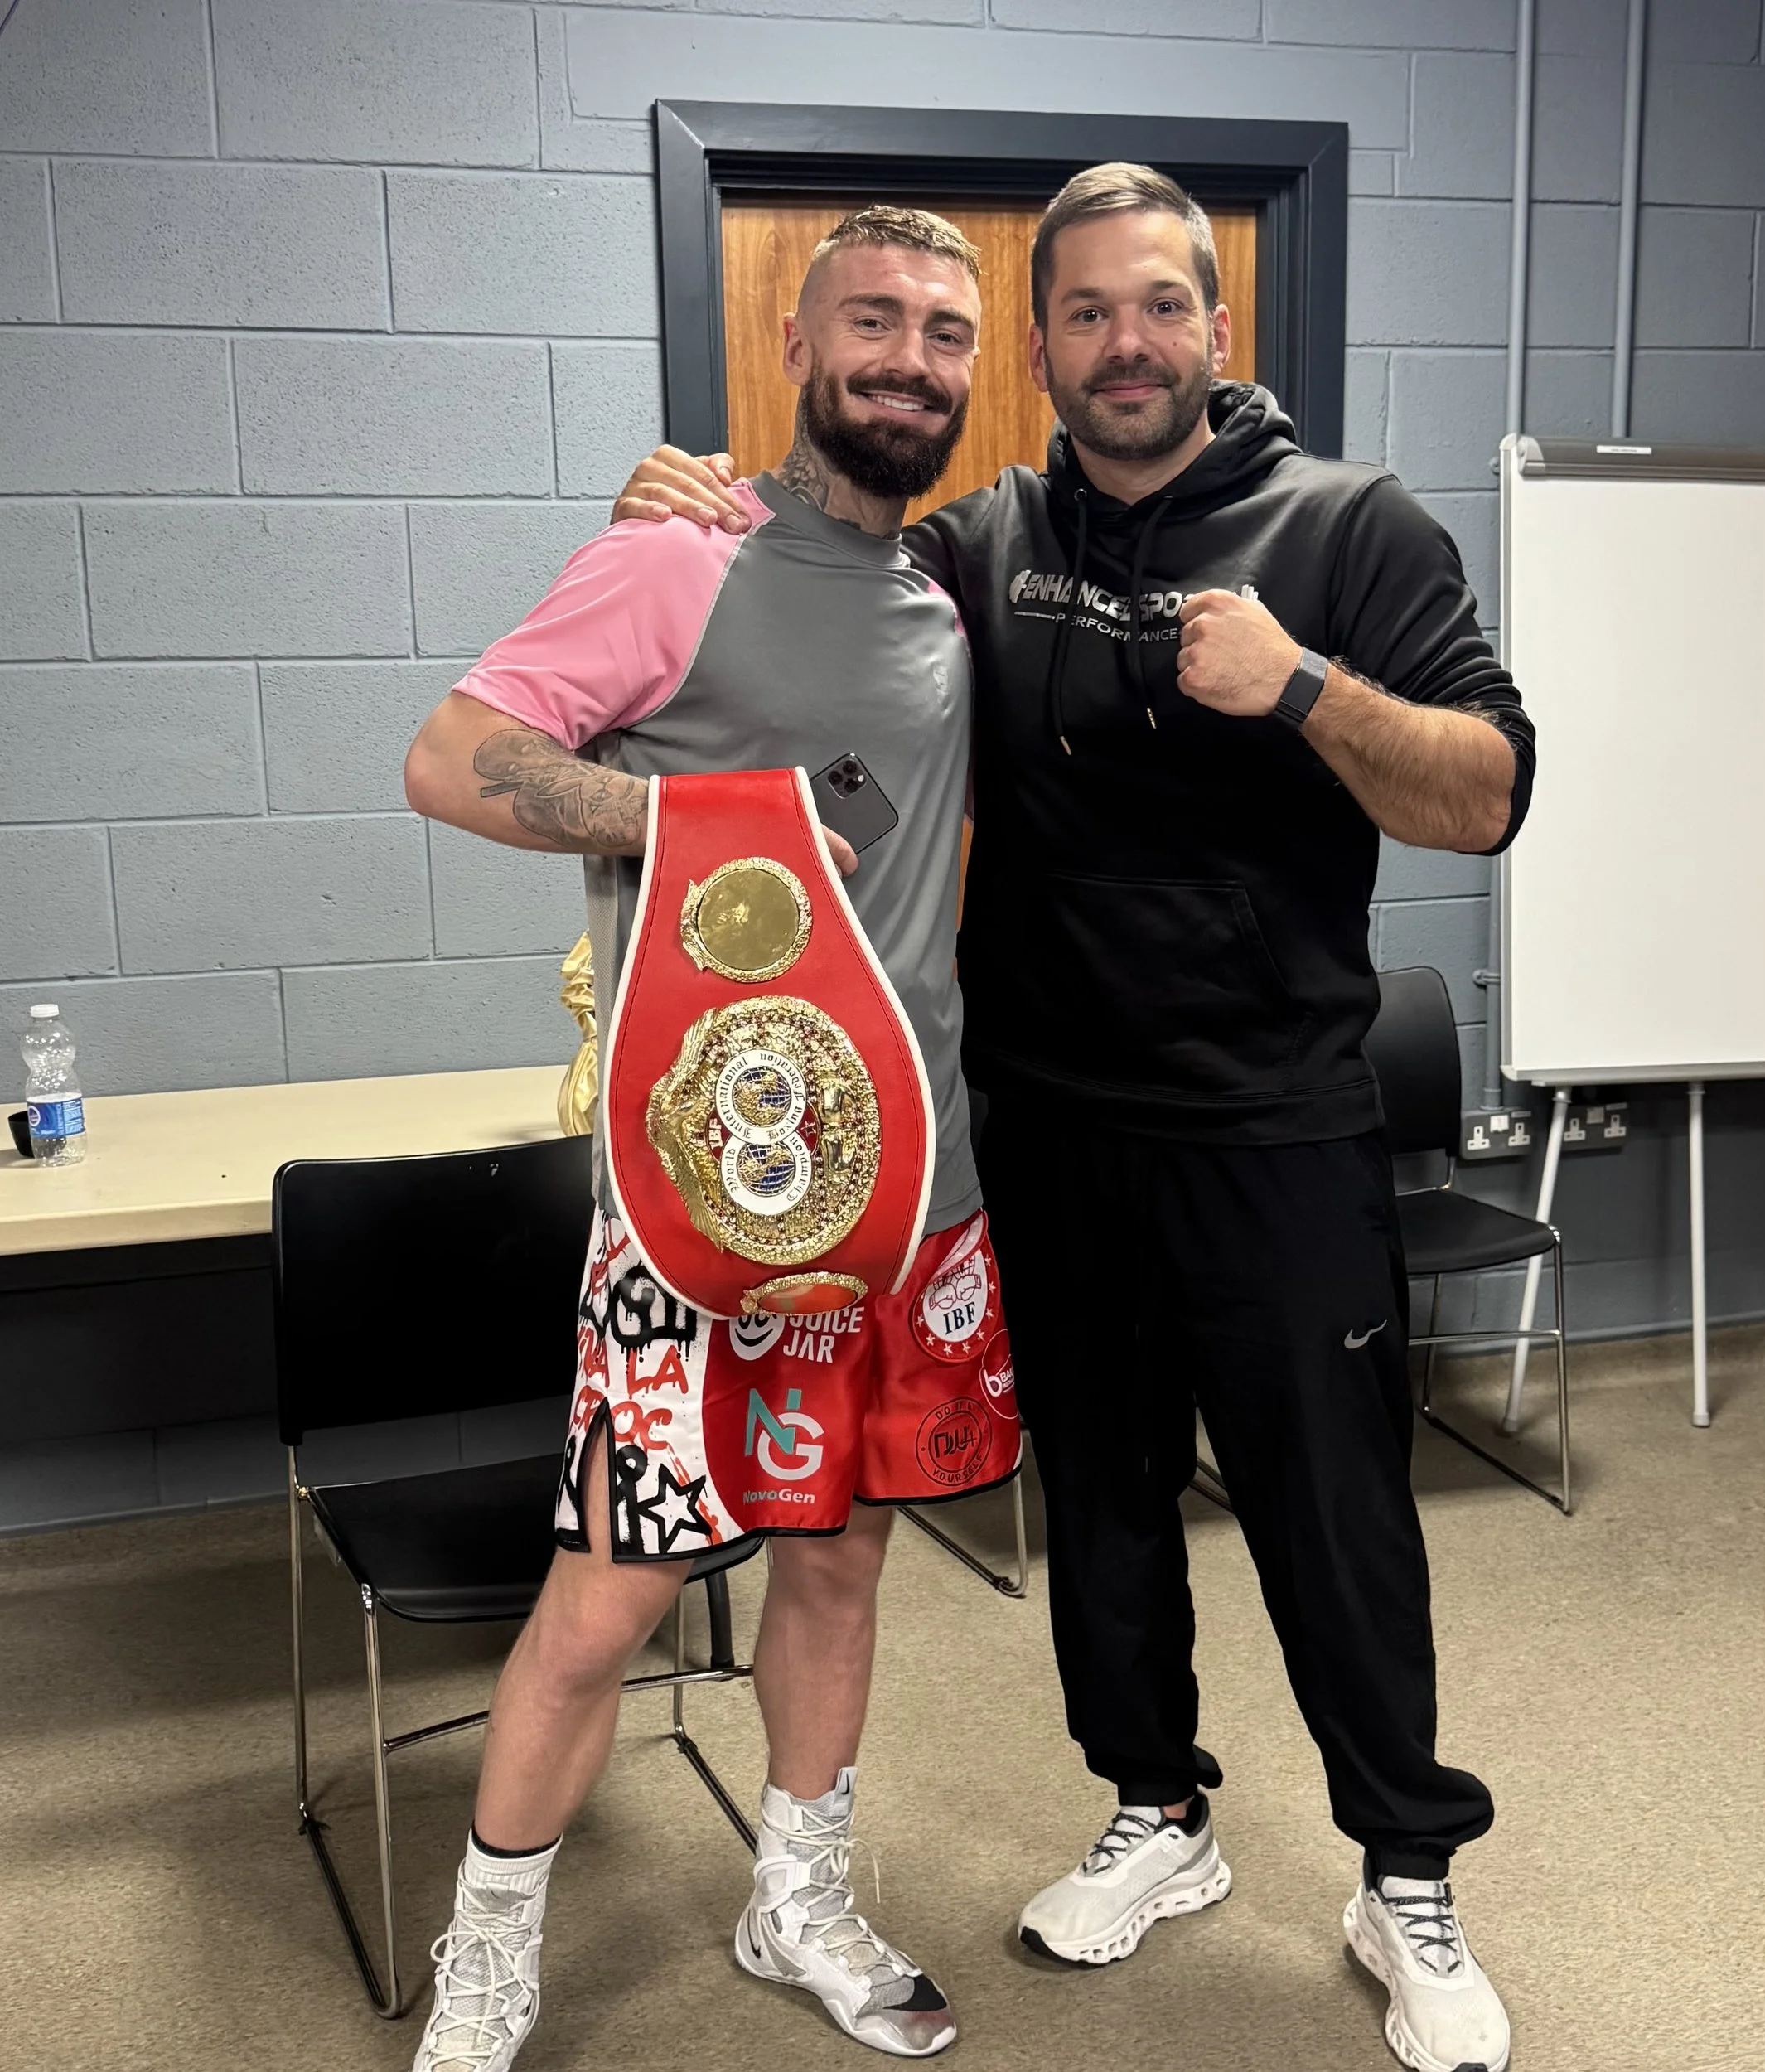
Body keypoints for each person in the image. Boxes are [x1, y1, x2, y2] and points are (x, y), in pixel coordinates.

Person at [614, 163, 1536, 2072]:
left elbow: (1484, 791)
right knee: (1104, 1510)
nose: (1126, 344)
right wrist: (679, 506)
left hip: (1276, 1124)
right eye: (1087, 314)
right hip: (1046, 1122)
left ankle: (1402, 1866)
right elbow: (818, 569)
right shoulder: (986, 536)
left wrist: (1298, 691)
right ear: (1042, 351)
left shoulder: (1347, 527)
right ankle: (1157, 1811)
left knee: (1331, 1512)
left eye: (1159, 307)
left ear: (1218, 327)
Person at [399, 206, 1021, 2070]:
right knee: (611, 1590)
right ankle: (488, 1945)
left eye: (942, 329)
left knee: (837, 1559)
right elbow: (450, 755)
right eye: (873, 320)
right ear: (795, 335)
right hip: (696, 1204)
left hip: (906, 1192)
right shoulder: (675, 556)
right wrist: (700, 817)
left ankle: (795, 1891)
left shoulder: (948, 593)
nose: (908, 356)